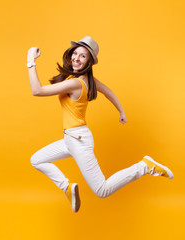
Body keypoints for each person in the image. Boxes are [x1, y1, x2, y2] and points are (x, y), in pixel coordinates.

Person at [27, 36, 173, 213]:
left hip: (78, 140)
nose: (76, 58)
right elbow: (108, 92)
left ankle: (144, 166)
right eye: (75, 53)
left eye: (83, 56)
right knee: (37, 159)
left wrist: (30, 60)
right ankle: (67, 187)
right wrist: (121, 111)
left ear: (89, 62)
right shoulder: (89, 81)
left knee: (102, 190)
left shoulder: (74, 83)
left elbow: (37, 91)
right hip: (71, 138)